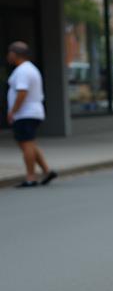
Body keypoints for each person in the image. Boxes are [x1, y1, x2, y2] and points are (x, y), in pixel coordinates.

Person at [5, 41, 56, 189]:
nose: (8, 56)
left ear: (15, 54)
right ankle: (47, 171)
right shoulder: (30, 69)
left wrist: (13, 111)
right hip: (32, 111)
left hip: (25, 113)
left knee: (26, 144)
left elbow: (22, 92)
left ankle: (30, 177)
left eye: (10, 53)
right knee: (30, 144)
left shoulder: (23, 71)